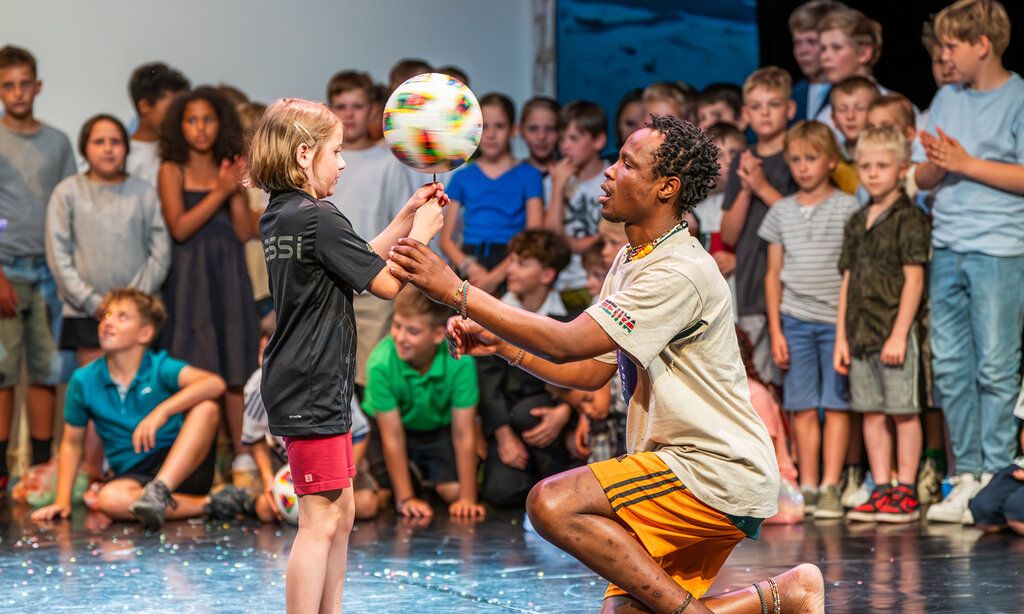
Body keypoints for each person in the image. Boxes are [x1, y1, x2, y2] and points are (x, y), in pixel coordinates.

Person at [390, 115, 824, 614]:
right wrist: (505, 347)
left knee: (552, 502)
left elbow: (568, 341)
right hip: (683, 466)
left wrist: (459, 292)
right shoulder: (632, 258)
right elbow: (590, 368)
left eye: (626, 164)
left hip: (709, 469)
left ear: (666, 187)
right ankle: (786, 595)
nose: (609, 172)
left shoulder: (677, 271)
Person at [248, 97, 445, 613]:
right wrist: (422, 237)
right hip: (312, 381)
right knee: (319, 522)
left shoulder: (282, 213)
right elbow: (381, 284)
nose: (343, 162)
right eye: (336, 151)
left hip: (305, 377)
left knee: (344, 512)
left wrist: (404, 217)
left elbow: (355, 259)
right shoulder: (317, 215)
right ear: (303, 154)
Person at [914, 0, 1024, 525]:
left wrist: (964, 163)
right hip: (948, 245)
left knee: (995, 366)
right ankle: (968, 474)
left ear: (982, 44)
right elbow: (920, 176)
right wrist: (935, 168)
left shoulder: (1018, 96)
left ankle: (996, 477)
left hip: (1000, 249)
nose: (945, 54)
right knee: (953, 368)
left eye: (953, 44)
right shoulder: (945, 97)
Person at [30, 289, 226, 529]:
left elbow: (214, 383)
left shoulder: (158, 366)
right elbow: (71, 444)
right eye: (106, 315)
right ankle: (208, 505)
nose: (108, 322)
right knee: (109, 500)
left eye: (122, 317)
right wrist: (62, 502)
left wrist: (162, 411)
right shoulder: (84, 379)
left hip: (180, 466)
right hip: (134, 474)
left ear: (145, 333)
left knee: (207, 408)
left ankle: (160, 490)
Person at [157, 86, 260, 487]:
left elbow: (244, 230)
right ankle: (192, 467)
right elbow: (179, 227)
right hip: (189, 279)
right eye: (191, 120)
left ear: (221, 124)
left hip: (229, 273)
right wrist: (218, 190)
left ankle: (244, 459)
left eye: (208, 120)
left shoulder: (228, 165)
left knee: (236, 362)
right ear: (180, 126)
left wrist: (234, 188)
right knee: (196, 361)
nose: (200, 129)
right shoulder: (171, 168)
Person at [759, 120, 858, 519]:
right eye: (795, 160)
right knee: (801, 406)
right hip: (795, 320)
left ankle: (831, 485)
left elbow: (852, 271)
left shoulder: (848, 207)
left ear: (831, 161)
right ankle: (811, 484)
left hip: (836, 321)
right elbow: (772, 274)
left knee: (835, 404)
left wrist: (846, 331)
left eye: (811, 158)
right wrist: (777, 330)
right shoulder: (781, 210)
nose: (803, 167)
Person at [837, 127, 929, 524]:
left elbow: (914, 279)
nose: (872, 174)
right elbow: (848, 280)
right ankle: (882, 486)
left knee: (902, 411)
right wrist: (841, 336)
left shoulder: (909, 218)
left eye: (882, 166)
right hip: (860, 333)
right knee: (871, 412)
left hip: (895, 331)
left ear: (902, 168)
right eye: (865, 166)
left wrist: (898, 334)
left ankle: (905, 488)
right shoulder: (857, 220)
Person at [0, 45, 77, 487]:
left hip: (48, 269)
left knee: (48, 370)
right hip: (6, 269)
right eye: (8, 85)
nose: (17, 93)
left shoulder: (57, 142)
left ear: (37, 86)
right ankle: (5, 470)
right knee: (5, 372)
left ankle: (42, 467)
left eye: (24, 83)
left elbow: (68, 203)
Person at [46, 114, 171, 367]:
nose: (108, 148)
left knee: (138, 390)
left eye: (115, 141)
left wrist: (131, 302)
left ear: (126, 148)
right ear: (84, 148)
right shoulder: (67, 192)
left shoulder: (144, 192)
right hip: (86, 311)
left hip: (138, 311)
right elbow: (58, 256)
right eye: (99, 141)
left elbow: (160, 252)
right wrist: (92, 301)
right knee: (95, 391)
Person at [325, 70, 418, 392]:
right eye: (341, 106)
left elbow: (403, 219)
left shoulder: (389, 161)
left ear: (372, 111)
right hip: (327, 279)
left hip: (373, 278)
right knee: (329, 369)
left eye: (357, 106)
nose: (349, 114)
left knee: (368, 374)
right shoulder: (322, 158)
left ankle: (368, 440)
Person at [473, 229, 580, 508]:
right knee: (501, 492)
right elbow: (487, 379)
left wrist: (564, 411)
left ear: (547, 275)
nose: (512, 270)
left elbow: (580, 375)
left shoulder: (569, 319)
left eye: (523, 263)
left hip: (550, 413)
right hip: (506, 418)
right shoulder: (495, 313)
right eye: (513, 261)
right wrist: (502, 433)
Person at [363, 287, 484, 519]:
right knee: (387, 493)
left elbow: (463, 432)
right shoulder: (381, 362)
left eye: (413, 331)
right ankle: (410, 484)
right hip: (390, 429)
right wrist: (405, 498)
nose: (400, 337)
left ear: (438, 334)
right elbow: (393, 436)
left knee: (453, 492)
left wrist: (468, 498)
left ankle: (424, 477)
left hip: (436, 429)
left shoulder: (459, 361)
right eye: (396, 326)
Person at [240, 334, 382, 523]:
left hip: (334, 461)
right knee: (265, 510)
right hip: (286, 463)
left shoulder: (329, 380)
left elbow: (359, 433)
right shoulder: (258, 386)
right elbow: (254, 436)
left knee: (365, 505)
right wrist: (269, 480)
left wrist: (347, 482)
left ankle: (384, 494)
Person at [720, 66, 798, 386]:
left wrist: (763, 186)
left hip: (792, 284)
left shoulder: (799, 157)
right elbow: (728, 234)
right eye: (756, 106)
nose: (765, 113)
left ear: (790, 109)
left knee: (791, 380)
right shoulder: (743, 161)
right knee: (758, 377)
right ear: (745, 114)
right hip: (752, 284)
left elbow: (801, 223)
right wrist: (747, 190)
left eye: (774, 104)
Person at [440, 93, 544, 295]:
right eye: (484, 127)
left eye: (499, 126)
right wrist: (469, 266)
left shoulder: (530, 176)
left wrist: (494, 277)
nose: (490, 134)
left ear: (514, 130)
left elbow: (534, 235)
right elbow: (446, 240)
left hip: (513, 262)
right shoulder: (462, 177)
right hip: (470, 263)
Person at [544, 100, 609, 312]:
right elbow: (551, 239)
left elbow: (608, 235)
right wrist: (558, 187)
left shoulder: (612, 177)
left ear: (598, 140)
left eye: (573, 138)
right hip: (561, 284)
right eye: (562, 139)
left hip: (602, 282)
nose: (565, 145)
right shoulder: (552, 181)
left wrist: (572, 242)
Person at [126, 62, 190, 187]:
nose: (178, 115)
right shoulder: (121, 156)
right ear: (144, 106)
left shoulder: (187, 149)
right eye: (171, 108)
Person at [788, 1, 844, 123]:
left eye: (812, 41)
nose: (802, 51)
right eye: (797, 42)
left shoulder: (851, 92)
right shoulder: (791, 95)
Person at [520, 96, 560, 203]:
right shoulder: (514, 174)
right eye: (533, 129)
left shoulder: (569, 174)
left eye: (550, 129)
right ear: (521, 131)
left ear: (560, 131)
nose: (542, 136)